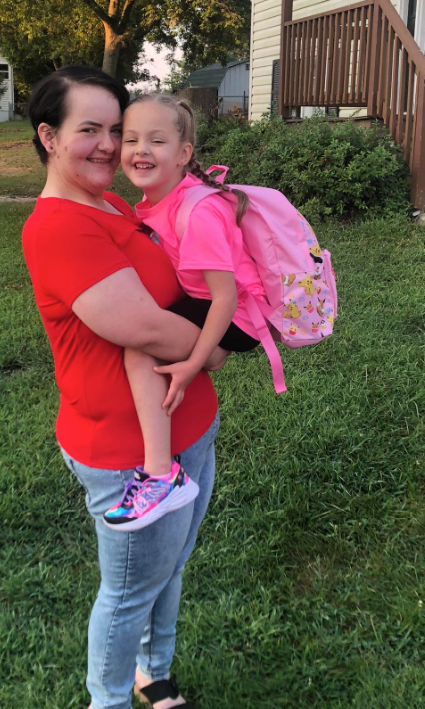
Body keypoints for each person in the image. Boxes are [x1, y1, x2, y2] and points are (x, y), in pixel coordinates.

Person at [22, 65, 226, 709]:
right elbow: (139, 325)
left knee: (170, 568)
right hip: (126, 449)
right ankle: (106, 706)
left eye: (117, 129)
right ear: (49, 136)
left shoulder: (111, 204)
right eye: (90, 129)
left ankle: (152, 670)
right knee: (131, 587)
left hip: (187, 421)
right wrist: (215, 347)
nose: (110, 145)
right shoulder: (57, 227)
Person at [103, 95, 263, 531]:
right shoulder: (166, 198)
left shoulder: (197, 212)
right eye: (131, 139)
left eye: (157, 141)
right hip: (217, 308)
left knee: (141, 343)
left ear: (183, 154)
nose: (141, 150)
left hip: (237, 317)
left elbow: (225, 298)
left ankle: (161, 475)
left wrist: (196, 361)